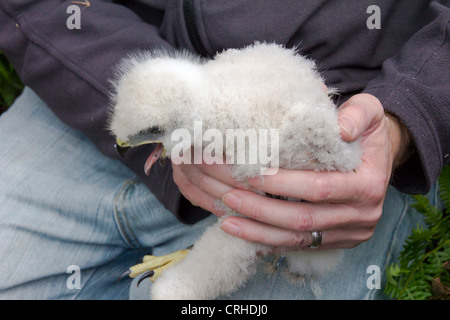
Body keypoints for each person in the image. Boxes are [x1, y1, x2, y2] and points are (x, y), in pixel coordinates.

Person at [0, 0, 448, 300]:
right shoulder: (162, 108)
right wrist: (155, 127)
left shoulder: (299, 127)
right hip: (94, 76)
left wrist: (402, 120)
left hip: (338, 130)